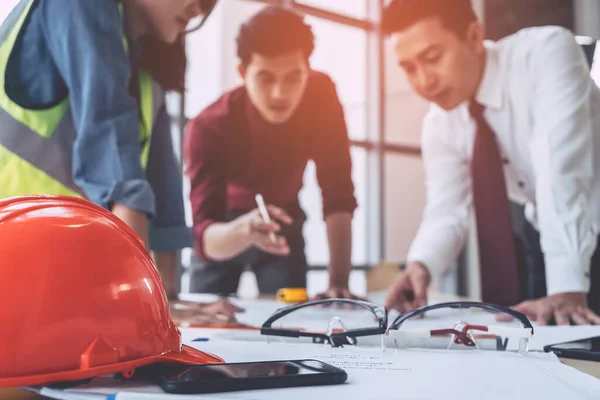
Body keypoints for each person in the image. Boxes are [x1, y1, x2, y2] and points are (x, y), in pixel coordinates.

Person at [0, 0, 241, 324]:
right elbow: (118, 175)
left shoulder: (143, 67)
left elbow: (163, 191)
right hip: (14, 264)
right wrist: (145, 312)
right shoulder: (77, 5)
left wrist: (167, 300)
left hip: (51, 274)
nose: (199, 8)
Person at [382, 0, 600, 325]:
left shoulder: (547, 53)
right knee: (545, 353)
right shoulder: (440, 123)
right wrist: (420, 264)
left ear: (473, 35)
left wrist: (566, 288)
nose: (424, 81)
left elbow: (561, 173)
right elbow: (446, 210)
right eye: (409, 68)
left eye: (432, 58)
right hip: (548, 237)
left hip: (575, 227)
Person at [184, 6, 360, 300]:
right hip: (225, 227)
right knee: (205, 317)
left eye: (294, 77)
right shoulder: (208, 127)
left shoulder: (322, 96)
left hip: (284, 220)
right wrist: (243, 231)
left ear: (308, 69)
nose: (280, 93)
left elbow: (338, 190)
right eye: (266, 78)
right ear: (243, 72)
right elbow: (205, 236)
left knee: (290, 317)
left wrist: (339, 282)